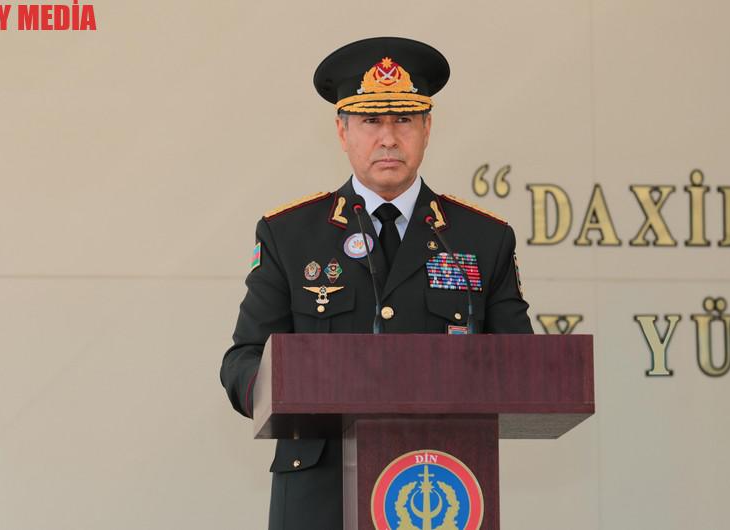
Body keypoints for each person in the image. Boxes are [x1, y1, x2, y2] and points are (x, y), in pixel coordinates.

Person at [220, 36, 533, 530]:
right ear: (342, 131)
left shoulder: (482, 238)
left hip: (440, 484)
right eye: (370, 121)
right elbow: (242, 360)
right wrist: (279, 388)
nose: (388, 138)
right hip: (318, 497)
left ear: (427, 128)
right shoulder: (289, 235)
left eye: (403, 120)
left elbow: (523, 365)